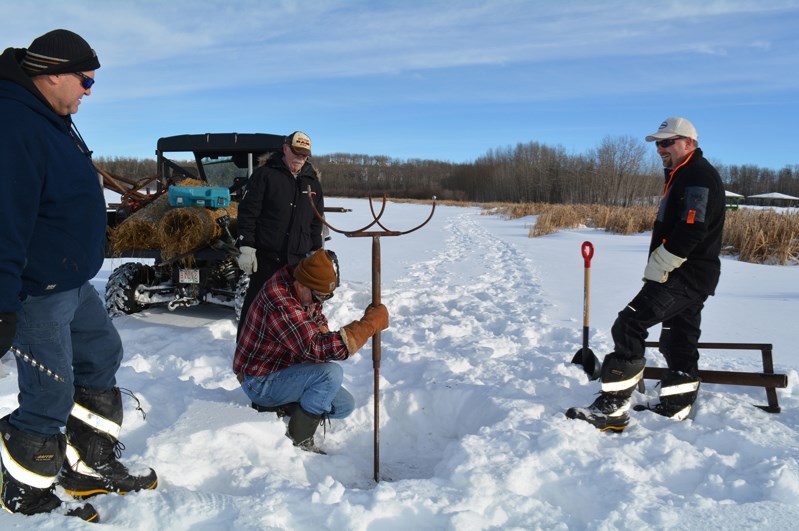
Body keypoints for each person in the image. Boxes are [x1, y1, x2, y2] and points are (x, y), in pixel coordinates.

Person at [0, 29, 157, 522]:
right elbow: (5, 219)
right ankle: (27, 494)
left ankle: (87, 460)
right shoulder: (12, 123)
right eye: (85, 79)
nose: (90, 90)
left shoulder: (51, 118)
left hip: (70, 281)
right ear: (50, 75)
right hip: (34, 289)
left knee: (101, 357)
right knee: (48, 392)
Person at [566, 117, 725, 432]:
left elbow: (694, 227)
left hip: (685, 274)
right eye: (657, 143)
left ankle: (612, 408)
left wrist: (664, 261)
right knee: (679, 335)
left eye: (667, 142)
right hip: (693, 275)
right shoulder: (680, 174)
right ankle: (677, 404)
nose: (660, 149)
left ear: (688, 142)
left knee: (629, 324)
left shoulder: (697, 175)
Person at [234, 249, 389, 454]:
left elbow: (316, 321)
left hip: (285, 368)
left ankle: (285, 407)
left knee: (344, 406)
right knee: (330, 374)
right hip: (259, 380)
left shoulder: (303, 288)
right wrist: (365, 327)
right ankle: (299, 439)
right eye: (318, 296)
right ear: (304, 283)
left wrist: (323, 330)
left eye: (325, 298)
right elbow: (314, 347)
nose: (319, 303)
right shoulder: (279, 300)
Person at [235, 131, 324, 336]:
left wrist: (316, 252)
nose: (300, 158)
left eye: (304, 155)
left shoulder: (312, 182)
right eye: (296, 153)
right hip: (267, 257)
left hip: (297, 262)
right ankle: (245, 349)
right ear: (285, 149)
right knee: (256, 305)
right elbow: (248, 213)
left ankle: (286, 351)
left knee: (294, 311)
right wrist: (246, 247)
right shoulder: (265, 175)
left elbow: (315, 222)